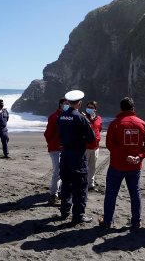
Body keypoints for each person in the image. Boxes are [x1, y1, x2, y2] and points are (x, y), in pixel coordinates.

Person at [99, 97, 145, 228]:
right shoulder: (143, 124)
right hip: (135, 166)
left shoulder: (115, 124)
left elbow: (110, 145)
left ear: (121, 108)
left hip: (117, 166)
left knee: (111, 193)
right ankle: (136, 221)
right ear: (133, 108)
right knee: (135, 193)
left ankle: (107, 221)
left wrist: (125, 156)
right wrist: (139, 156)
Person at [57, 90, 95, 224]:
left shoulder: (61, 116)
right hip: (77, 154)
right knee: (80, 185)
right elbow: (91, 138)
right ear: (79, 103)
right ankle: (78, 215)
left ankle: (64, 210)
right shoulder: (80, 117)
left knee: (66, 183)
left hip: (65, 153)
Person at [44, 98, 69, 206]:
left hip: (66, 149)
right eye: (65, 104)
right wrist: (53, 143)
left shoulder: (69, 116)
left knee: (65, 172)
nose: (67, 105)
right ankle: (53, 195)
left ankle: (60, 192)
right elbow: (47, 133)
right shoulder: (54, 116)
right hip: (55, 148)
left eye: (68, 103)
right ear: (60, 104)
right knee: (57, 172)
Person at [83, 101, 102, 191]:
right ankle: (83, 183)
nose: (89, 109)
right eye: (88, 107)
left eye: (91, 107)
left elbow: (99, 129)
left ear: (95, 109)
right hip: (85, 147)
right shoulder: (83, 117)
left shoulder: (99, 118)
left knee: (93, 167)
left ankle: (91, 184)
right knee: (84, 167)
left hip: (95, 147)